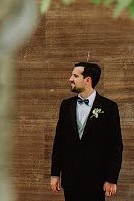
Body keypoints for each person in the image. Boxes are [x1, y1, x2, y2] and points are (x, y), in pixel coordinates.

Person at [49, 62, 123, 200]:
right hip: (71, 179)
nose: (70, 79)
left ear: (87, 80)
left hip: (96, 180)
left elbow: (115, 146)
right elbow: (59, 141)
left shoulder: (109, 107)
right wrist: (55, 174)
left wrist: (111, 179)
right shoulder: (66, 106)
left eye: (75, 76)